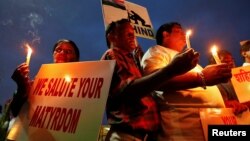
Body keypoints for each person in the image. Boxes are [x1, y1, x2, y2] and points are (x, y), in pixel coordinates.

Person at [101, 18, 199, 141]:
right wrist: (171, 70)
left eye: (134, 34)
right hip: (127, 136)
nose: (133, 37)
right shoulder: (113, 54)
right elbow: (130, 90)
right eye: (128, 34)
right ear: (112, 36)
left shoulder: (132, 59)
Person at [141, 22, 232, 141]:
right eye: (178, 31)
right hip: (187, 132)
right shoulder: (157, 51)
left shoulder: (187, 60)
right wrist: (201, 78)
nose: (184, 33)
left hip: (214, 124)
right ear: (165, 34)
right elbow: (154, 80)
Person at [10, 39, 80, 117]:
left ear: (76, 59)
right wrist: (22, 88)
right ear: (53, 54)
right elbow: (16, 112)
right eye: (58, 49)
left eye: (68, 52)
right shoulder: (40, 80)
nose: (62, 53)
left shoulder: (81, 83)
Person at [209, 49, 249, 113]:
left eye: (232, 60)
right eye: (225, 61)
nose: (231, 63)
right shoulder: (216, 85)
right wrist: (229, 103)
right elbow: (219, 104)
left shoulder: (242, 77)